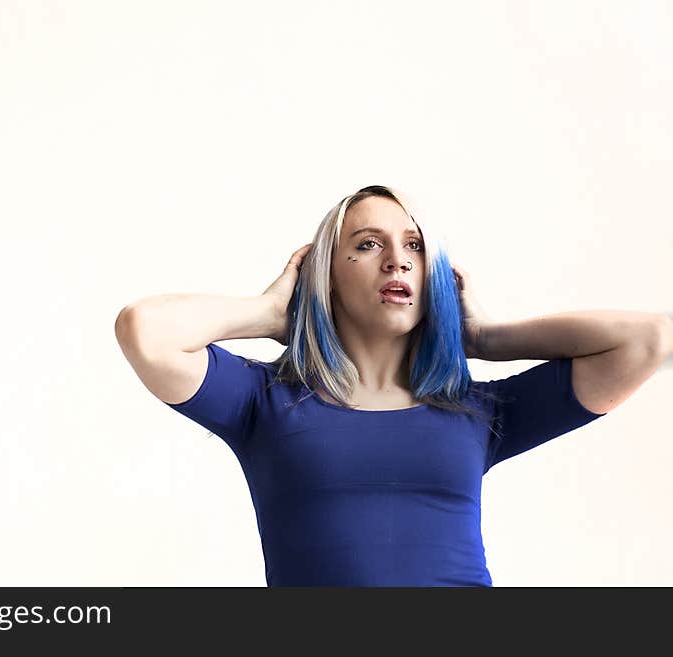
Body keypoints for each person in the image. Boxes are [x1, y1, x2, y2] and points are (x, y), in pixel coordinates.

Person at [114, 185, 671, 586]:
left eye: (414, 246)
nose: (397, 262)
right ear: (324, 275)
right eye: (367, 245)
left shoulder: (478, 410)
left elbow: (651, 340)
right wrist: (268, 312)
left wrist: (488, 338)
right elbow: (145, 329)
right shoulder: (264, 401)